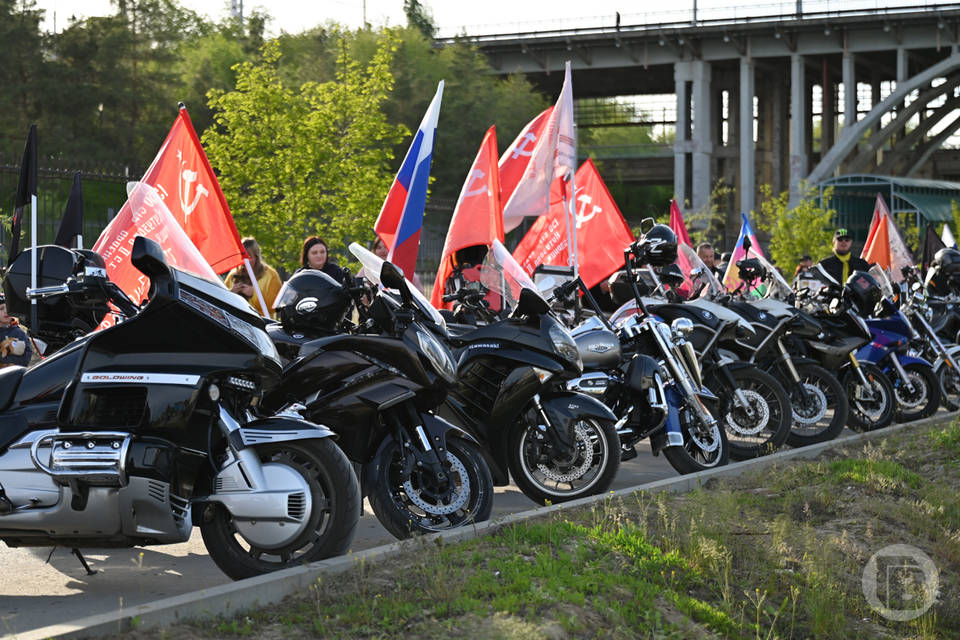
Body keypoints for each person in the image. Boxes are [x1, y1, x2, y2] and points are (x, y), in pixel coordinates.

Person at [225, 237, 283, 318]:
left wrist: (253, 293)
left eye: (249, 257)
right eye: (242, 256)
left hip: (262, 324)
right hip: (236, 321)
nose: (245, 261)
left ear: (256, 257)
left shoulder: (270, 275)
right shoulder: (232, 274)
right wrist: (232, 292)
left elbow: (275, 306)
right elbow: (223, 300)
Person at [0, 296, 32, 368]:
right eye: (1, 308)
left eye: (8, 307)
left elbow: (26, 357)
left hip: (14, 375)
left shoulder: (19, 333)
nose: (6, 311)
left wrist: (7, 361)